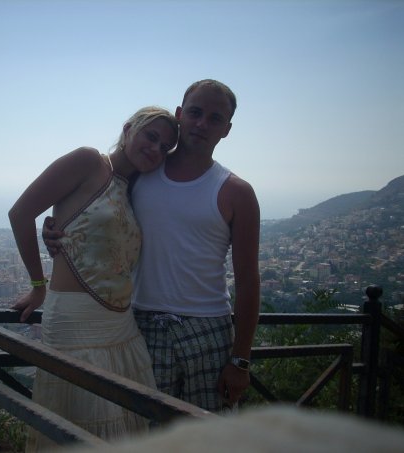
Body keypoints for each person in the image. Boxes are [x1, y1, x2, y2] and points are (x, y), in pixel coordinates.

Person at [43, 79, 261, 414]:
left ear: (227, 129)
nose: (202, 123)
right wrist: (57, 226)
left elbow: (248, 280)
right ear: (180, 114)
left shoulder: (237, 193)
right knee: (145, 430)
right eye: (195, 112)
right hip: (141, 325)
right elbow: (97, 208)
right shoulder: (141, 174)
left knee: (209, 433)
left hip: (208, 328)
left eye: (215, 118)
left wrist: (240, 361)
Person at [9, 106, 179, 449]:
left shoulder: (134, 189)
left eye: (165, 147)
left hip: (122, 326)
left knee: (124, 428)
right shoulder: (88, 161)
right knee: (82, 430)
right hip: (75, 322)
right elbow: (21, 213)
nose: (156, 149)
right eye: (151, 136)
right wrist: (38, 286)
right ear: (128, 129)